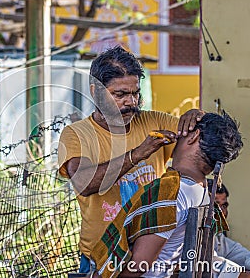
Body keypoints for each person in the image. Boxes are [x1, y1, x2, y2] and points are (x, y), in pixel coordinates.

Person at [57, 45, 204, 273]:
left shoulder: (154, 121)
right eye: (120, 94)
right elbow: (84, 184)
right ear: (95, 91)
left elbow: (199, 140)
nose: (131, 102)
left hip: (150, 254)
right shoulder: (77, 134)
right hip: (101, 257)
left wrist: (198, 117)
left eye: (135, 93)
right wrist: (138, 153)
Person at [91, 112, 244, 277]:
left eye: (184, 131)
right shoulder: (201, 190)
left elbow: (138, 266)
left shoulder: (173, 192)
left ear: (194, 136)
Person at [208, 180, 250, 271]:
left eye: (224, 206)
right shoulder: (189, 234)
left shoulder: (218, 237)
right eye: (216, 205)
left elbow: (239, 254)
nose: (222, 212)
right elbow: (209, 264)